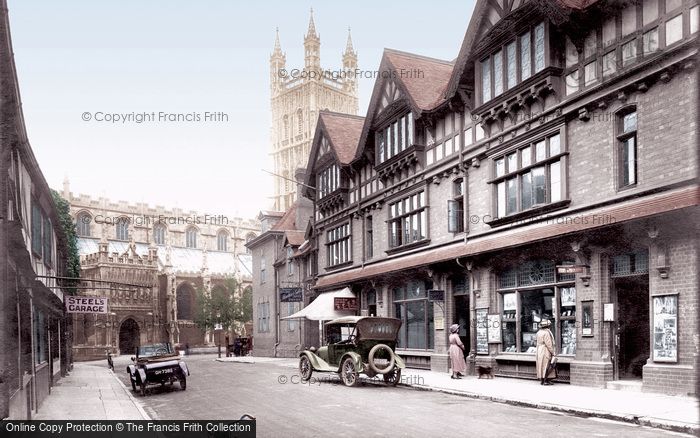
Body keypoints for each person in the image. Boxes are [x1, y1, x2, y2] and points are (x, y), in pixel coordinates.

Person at [536, 319, 556, 385]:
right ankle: (545, 380)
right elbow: (549, 344)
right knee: (547, 365)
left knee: (541, 365)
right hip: (545, 350)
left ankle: (542, 379)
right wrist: (553, 352)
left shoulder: (539, 332)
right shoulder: (547, 333)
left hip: (540, 350)